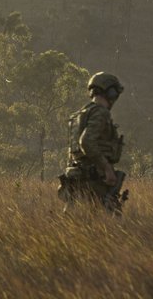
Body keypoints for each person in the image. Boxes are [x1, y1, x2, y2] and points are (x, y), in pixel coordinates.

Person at [59, 71, 126, 213]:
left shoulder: (79, 115)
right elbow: (86, 142)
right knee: (110, 222)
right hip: (95, 180)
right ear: (111, 92)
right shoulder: (101, 112)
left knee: (75, 222)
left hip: (77, 176)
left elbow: (74, 150)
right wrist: (107, 168)